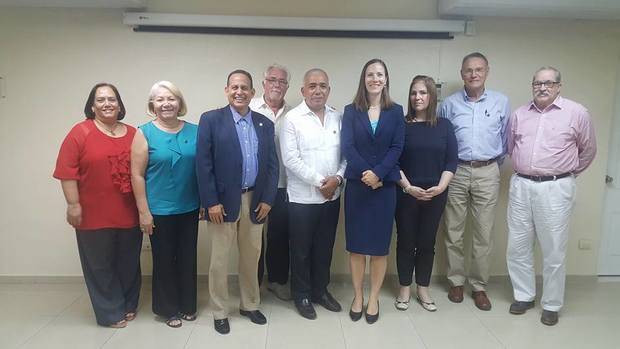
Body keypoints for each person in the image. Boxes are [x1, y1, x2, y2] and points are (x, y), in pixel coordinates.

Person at [506, 66, 596, 326]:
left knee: (554, 249)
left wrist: (563, 174)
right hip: (522, 184)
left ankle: (552, 304)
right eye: (537, 83)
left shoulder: (576, 113)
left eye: (548, 83)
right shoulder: (520, 114)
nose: (542, 88)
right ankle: (524, 296)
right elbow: (512, 148)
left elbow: (588, 150)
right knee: (518, 245)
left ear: (559, 86)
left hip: (556, 187)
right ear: (532, 85)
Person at [196, 69, 278, 335]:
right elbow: (203, 164)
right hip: (221, 202)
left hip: (255, 200)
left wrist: (268, 199)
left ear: (253, 93)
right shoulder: (211, 120)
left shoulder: (265, 123)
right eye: (234, 87)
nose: (239, 92)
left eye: (245, 88)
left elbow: (272, 165)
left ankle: (249, 304)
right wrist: (211, 202)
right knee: (219, 260)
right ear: (226, 90)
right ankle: (220, 311)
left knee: (251, 258)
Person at [53, 83, 141, 328]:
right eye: (100, 100)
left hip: (129, 212)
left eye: (112, 99)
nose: (107, 104)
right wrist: (73, 204)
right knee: (100, 265)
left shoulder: (135, 134)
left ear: (120, 104)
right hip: (93, 213)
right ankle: (110, 312)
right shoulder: (80, 133)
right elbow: (67, 172)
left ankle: (128, 303)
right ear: (92, 106)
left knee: (128, 261)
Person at [439, 52, 510, 311]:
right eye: (469, 70)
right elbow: (442, 139)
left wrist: (489, 165)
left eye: (479, 69)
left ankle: (479, 286)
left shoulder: (501, 102)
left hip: (487, 170)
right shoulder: (448, 104)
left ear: (487, 72)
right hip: (455, 171)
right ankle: (456, 281)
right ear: (462, 73)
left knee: (483, 233)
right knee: (453, 230)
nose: (473, 74)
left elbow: (506, 140)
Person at [131, 81, 202, 328]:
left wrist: (204, 201)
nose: (166, 103)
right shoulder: (144, 133)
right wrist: (143, 212)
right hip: (159, 210)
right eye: (160, 99)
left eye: (171, 98)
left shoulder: (196, 131)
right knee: (163, 259)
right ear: (153, 105)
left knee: (187, 257)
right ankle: (167, 309)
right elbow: (137, 175)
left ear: (180, 103)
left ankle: (187, 305)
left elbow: (203, 170)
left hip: (190, 207)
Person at [341, 58, 405, 324]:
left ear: (386, 79)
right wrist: (368, 174)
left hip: (384, 189)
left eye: (380, 74)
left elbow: (397, 147)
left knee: (379, 249)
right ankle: (358, 296)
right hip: (358, 186)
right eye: (370, 74)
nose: (375, 79)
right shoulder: (350, 110)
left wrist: (379, 174)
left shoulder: (396, 110)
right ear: (363, 79)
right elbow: (348, 146)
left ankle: (374, 297)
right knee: (356, 248)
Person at [280, 68, 346, 319]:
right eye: (312, 86)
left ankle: (320, 291)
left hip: (332, 198)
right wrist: (322, 182)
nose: (318, 90)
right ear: (303, 90)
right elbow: (291, 160)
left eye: (323, 86)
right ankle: (302, 295)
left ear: (329, 90)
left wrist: (338, 178)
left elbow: (346, 155)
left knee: (324, 248)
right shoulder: (292, 119)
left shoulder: (338, 118)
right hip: (302, 200)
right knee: (301, 250)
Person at [395, 76, 457, 312]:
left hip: (435, 194)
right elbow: (393, 160)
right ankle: (404, 288)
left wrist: (440, 187)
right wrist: (408, 187)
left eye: (422, 93)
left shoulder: (444, 126)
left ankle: (423, 288)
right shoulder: (401, 125)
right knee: (405, 241)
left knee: (426, 243)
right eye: (413, 93)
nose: (417, 97)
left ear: (431, 96)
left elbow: (451, 161)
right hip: (406, 192)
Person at [250, 64, 293, 300]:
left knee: (279, 235)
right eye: (272, 79)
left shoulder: (295, 113)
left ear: (287, 87)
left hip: (284, 185)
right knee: (254, 238)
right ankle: (253, 282)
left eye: (282, 81)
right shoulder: (249, 107)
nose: (277, 84)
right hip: (255, 185)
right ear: (264, 82)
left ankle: (277, 280)